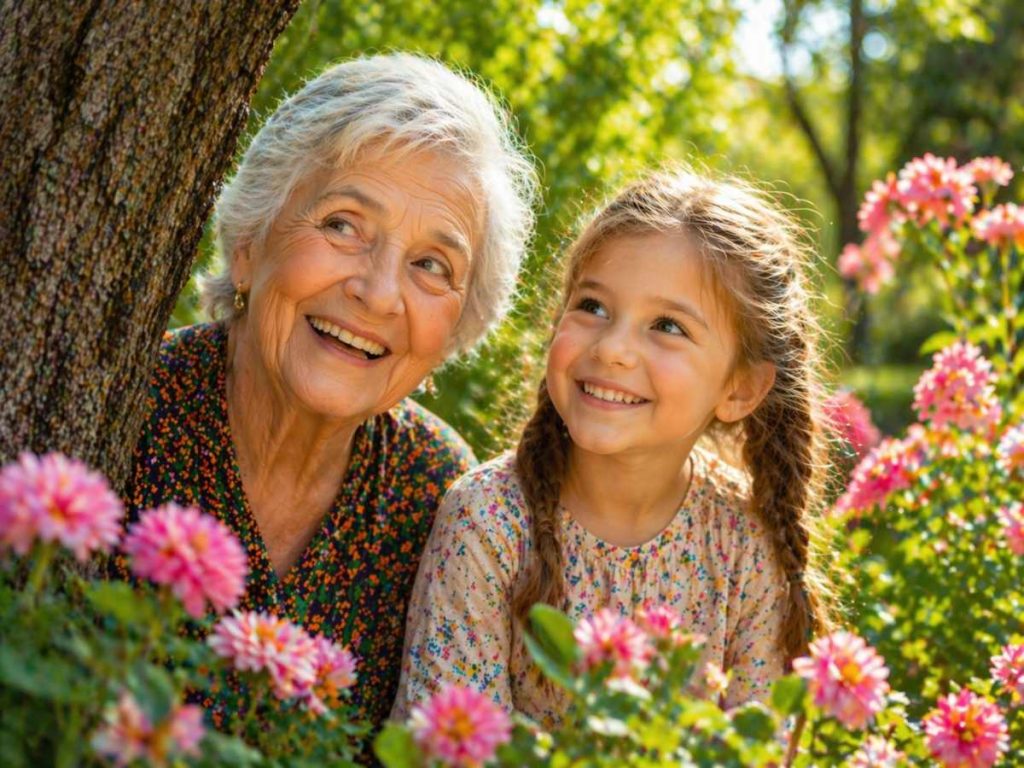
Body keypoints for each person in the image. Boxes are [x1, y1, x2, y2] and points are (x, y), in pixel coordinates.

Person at [119, 53, 536, 729]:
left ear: (455, 329)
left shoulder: (441, 502)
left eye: (432, 266)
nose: (377, 292)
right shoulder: (121, 410)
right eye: (343, 225)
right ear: (250, 241)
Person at [392, 168, 834, 727]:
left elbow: (759, 747)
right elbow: (449, 747)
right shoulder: (488, 524)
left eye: (668, 326)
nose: (614, 349)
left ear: (739, 388)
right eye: (594, 307)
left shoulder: (745, 546)